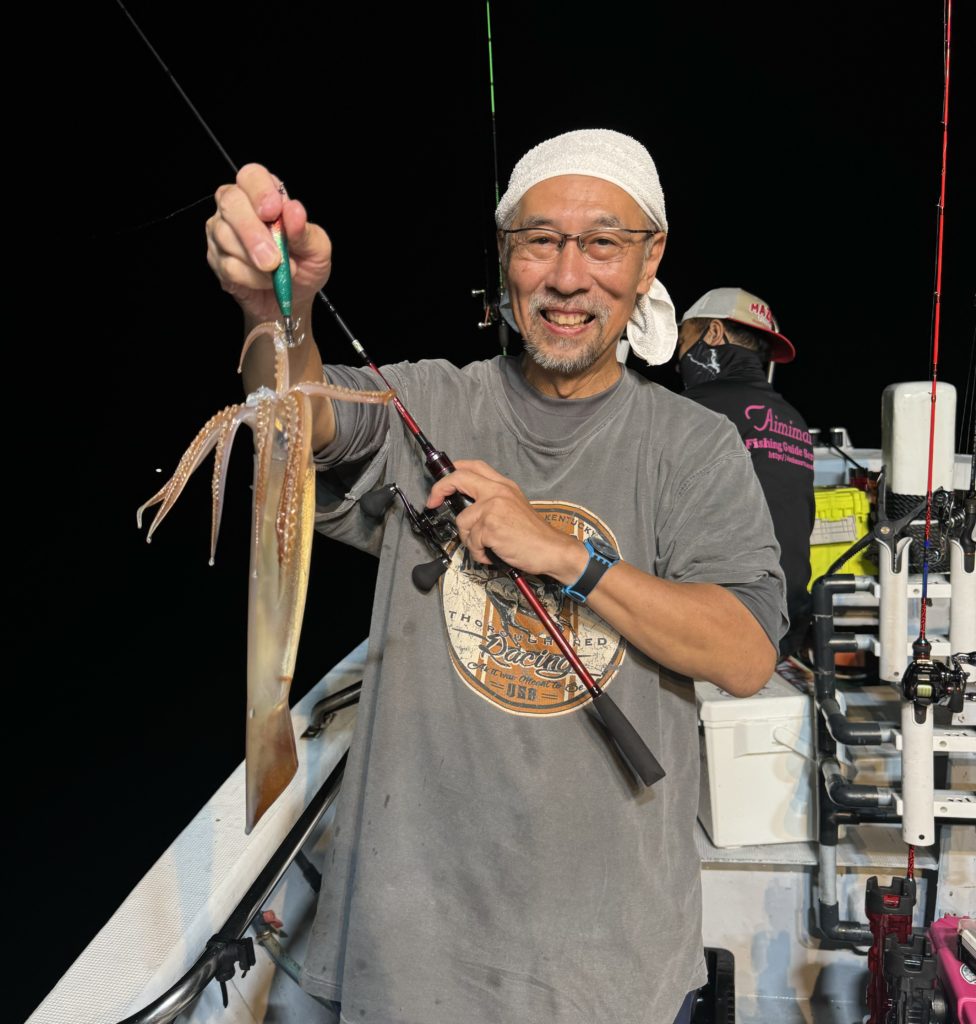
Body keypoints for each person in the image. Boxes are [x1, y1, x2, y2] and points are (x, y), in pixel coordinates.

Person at [206, 129, 787, 1024]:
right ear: (506, 254)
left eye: (603, 243)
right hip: (407, 955)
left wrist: (567, 555)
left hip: (609, 968)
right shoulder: (430, 402)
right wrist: (273, 311)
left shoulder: (692, 447)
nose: (568, 277)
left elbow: (745, 654)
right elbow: (297, 417)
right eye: (540, 240)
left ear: (649, 260)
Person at [676, 288, 815, 658]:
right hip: (786, 625)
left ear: (714, 333)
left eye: (683, 341)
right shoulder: (795, 420)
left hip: (723, 627)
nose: (678, 360)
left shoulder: (693, 410)